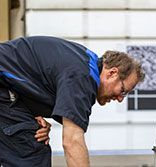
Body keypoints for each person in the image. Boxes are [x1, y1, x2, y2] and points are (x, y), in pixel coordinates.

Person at [0, 36, 145, 166]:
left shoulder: (85, 63)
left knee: (30, 136)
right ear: (112, 73)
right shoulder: (83, 77)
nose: (120, 99)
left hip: (8, 90)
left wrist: (32, 114)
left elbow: (28, 76)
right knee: (29, 150)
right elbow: (72, 141)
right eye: (123, 91)